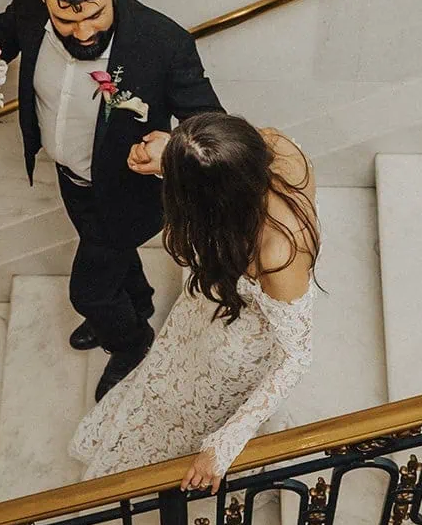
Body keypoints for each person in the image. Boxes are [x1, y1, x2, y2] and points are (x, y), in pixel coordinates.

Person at [0, 0, 225, 401]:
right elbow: (6, 33)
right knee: (106, 251)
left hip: (129, 191)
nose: (82, 32)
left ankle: (131, 341)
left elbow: (214, 129)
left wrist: (171, 149)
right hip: (72, 178)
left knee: (90, 292)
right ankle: (137, 302)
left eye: (94, 14)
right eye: (65, 18)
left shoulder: (163, 43)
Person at [70, 112, 319, 493]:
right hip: (205, 310)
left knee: (182, 410)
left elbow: (296, 356)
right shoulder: (272, 145)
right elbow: (228, 150)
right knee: (159, 379)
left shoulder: (277, 252)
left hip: (235, 349)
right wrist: (176, 150)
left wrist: (226, 443)